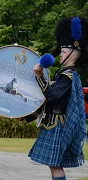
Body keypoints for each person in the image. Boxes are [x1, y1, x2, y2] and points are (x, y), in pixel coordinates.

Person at [29, 17, 87, 180]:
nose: (60, 55)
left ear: (73, 55)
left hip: (57, 124)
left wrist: (39, 76)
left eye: (63, 52)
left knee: (55, 165)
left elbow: (52, 96)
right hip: (54, 122)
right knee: (54, 164)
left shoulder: (67, 75)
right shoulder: (67, 75)